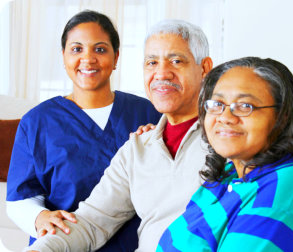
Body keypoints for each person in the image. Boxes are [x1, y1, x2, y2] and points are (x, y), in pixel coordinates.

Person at [24, 19, 213, 251]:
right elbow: (91, 222)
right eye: (151, 62)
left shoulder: (228, 141)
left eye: (176, 61)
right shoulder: (138, 148)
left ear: (204, 68)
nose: (162, 73)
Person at [6, 10, 161, 251]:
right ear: (64, 56)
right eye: (76, 49)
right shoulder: (37, 122)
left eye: (100, 49)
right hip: (63, 242)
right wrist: (39, 218)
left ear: (116, 56)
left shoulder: (149, 114)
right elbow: (20, 198)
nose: (88, 59)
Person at [157, 57, 293, 251]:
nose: (225, 117)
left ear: (282, 116)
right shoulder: (229, 173)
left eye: (245, 106)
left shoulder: (285, 189)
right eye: (217, 104)